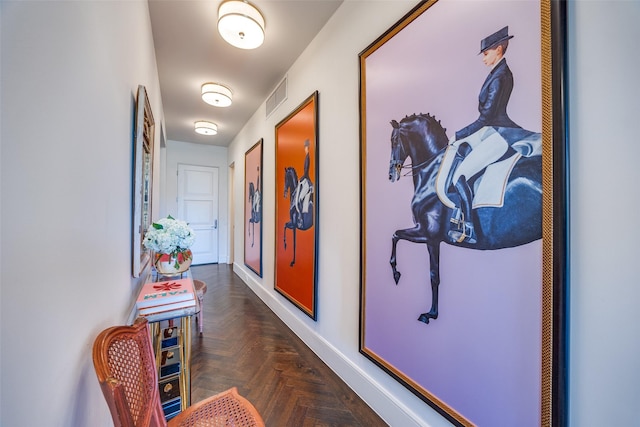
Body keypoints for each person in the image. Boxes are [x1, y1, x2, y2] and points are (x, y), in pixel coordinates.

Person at [448, 26, 521, 244]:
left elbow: (486, 117)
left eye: (486, 53)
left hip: (498, 132)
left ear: (499, 49)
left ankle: (468, 228)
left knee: (459, 176)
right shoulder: (496, 73)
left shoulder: (500, 77)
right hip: (489, 130)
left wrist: (458, 134)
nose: (483, 59)